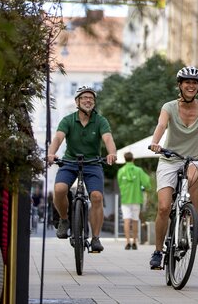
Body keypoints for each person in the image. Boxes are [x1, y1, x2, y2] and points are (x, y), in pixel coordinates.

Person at [147, 65, 198, 270]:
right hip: (169, 158)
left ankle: (192, 225)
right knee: (164, 207)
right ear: (180, 85)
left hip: (192, 158)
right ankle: (158, 251)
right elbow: (161, 125)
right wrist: (156, 142)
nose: (191, 86)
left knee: (192, 179)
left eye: (194, 83)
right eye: (187, 82)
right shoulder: (169, 107)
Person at [47, 85, 117, 253]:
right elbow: (58, 138)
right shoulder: (68, 120)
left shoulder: (100, 121)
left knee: (97, 197)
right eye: (84, 98)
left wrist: (112, 153)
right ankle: (64, 219)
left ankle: (95, 238)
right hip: (70, 162)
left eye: (91, 98)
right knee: (59, 189)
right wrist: (51, 153)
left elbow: (108, 139)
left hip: (93, 163)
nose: (88, 100)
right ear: (77, 101)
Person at [117, 151, 152, 250]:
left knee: (126, 220)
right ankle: (134, 242)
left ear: (125, 159)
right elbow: (146, 182)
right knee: (135, 220)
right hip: (136, 198)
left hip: (125, 199)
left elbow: (120, 184)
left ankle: (127, 242)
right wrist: (147, 188)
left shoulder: (121, 171)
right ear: (133, 159)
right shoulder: (138, 170)